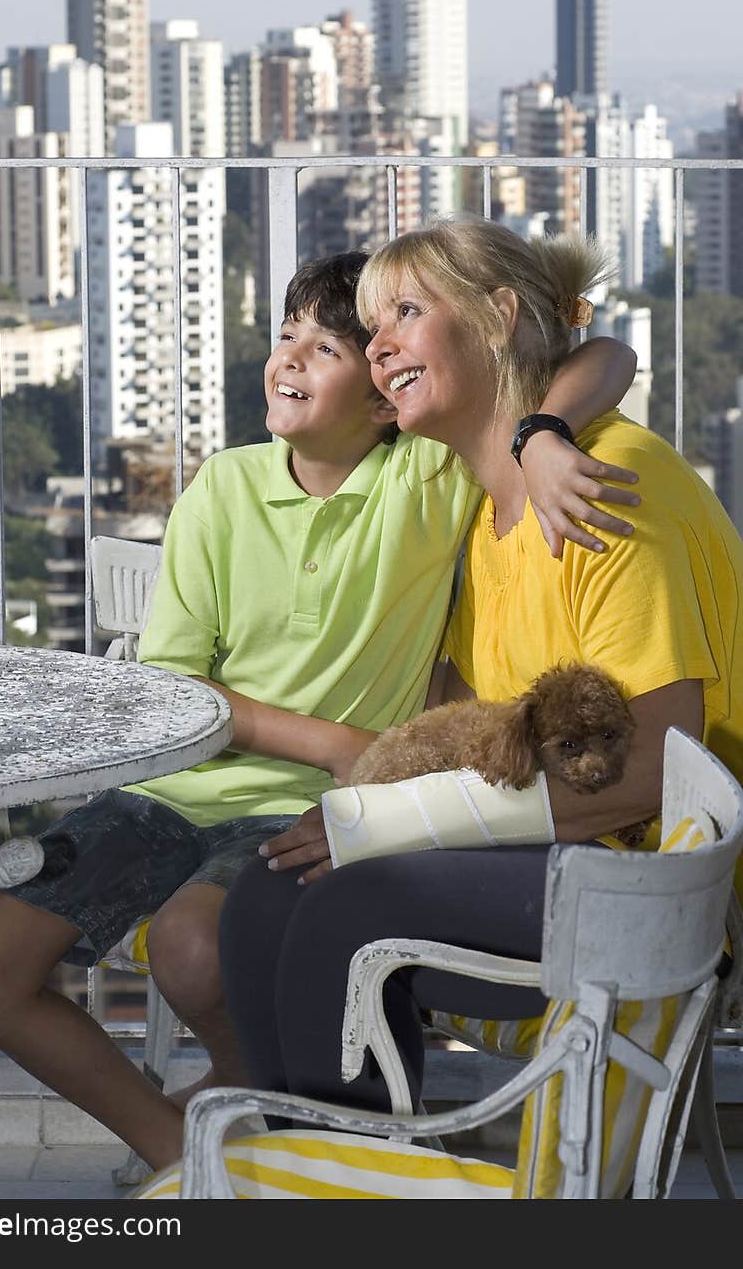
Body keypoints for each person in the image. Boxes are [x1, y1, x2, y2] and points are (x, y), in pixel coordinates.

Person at [0, 247, 637, 1172]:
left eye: (327, 347)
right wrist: (342, 742)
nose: (291, 358)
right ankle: (183, 1150)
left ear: (385, 396)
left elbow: (612, 357)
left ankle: (252, 1117)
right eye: (285, 335)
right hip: (176, 794)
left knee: (194, 950)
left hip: (313, 812)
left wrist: (543, 432)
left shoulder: (424, 481)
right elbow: (172, 695)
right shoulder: (221, 492)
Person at [219, 218, 743, 1119]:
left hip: (651, 891)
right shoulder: (484, 504)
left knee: (346, 908)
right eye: (372, 328)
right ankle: (318, 1162)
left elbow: (656, 771)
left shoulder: (607, 489)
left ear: (499, 316)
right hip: (562, 852)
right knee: (271, 894)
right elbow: (470, 726)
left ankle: (355, 1169)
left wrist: (387, 826)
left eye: (405, 313)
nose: (378, 345)